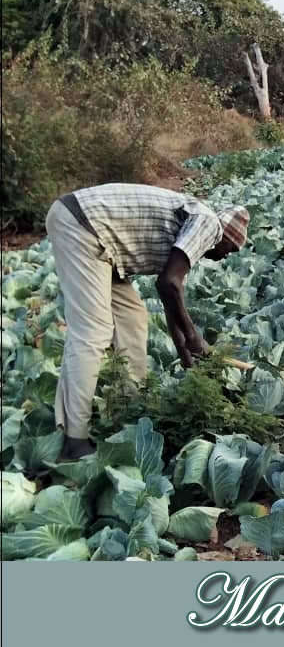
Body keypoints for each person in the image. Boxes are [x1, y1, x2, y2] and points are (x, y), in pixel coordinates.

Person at [45, 183, 250, 461]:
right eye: (231, 249)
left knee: (133, 317)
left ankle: (130, 406)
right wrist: (196, 340)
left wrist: (192, 365)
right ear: (226, 236)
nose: (226, 256)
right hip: (83, 225)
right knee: (92, 332)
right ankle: (74, 440)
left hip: (104, 243)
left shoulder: (191, 237)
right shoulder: (208, 225)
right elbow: (168, 283)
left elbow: (171, 301)